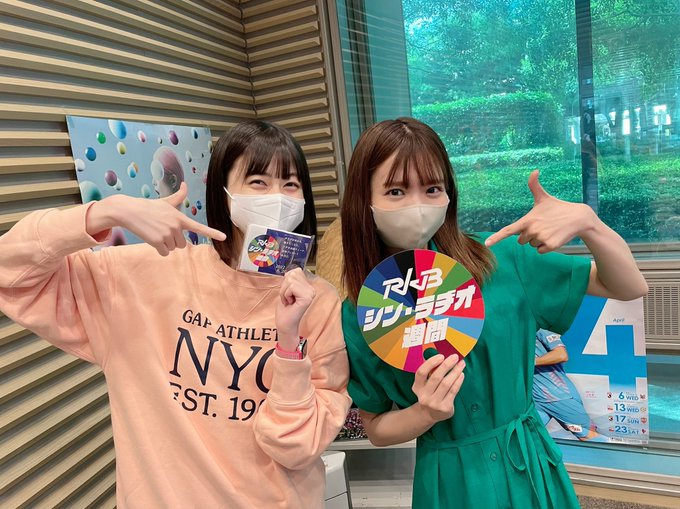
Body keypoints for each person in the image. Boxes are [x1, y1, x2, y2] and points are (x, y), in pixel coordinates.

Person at [0, 120, 351, 508]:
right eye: (257, 182)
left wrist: (288, 345)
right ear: (222, 193)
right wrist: (106, 212)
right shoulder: (142, 275)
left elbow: (296, 446)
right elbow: (9, 273)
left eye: (290, 184)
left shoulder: (317, 302)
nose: (277, 197)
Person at [333, 117, 647, 509]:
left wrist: (589, 224)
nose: (417, 205)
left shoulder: (500, 258)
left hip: (529, 466)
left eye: (432, 189)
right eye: (396, 191)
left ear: (449, 194)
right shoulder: (362, 313)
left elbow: (629, 286)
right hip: (449, 482)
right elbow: (377, 427)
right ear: (365, 200)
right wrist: (425, 413)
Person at [534, 329, 606, 442]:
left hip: (558, 396)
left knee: (588, 436)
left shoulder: (539, 330)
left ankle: (620, 452)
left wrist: (528, 362)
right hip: (535, 400)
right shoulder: (511, 336)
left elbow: (561, 355)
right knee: (525, 435)